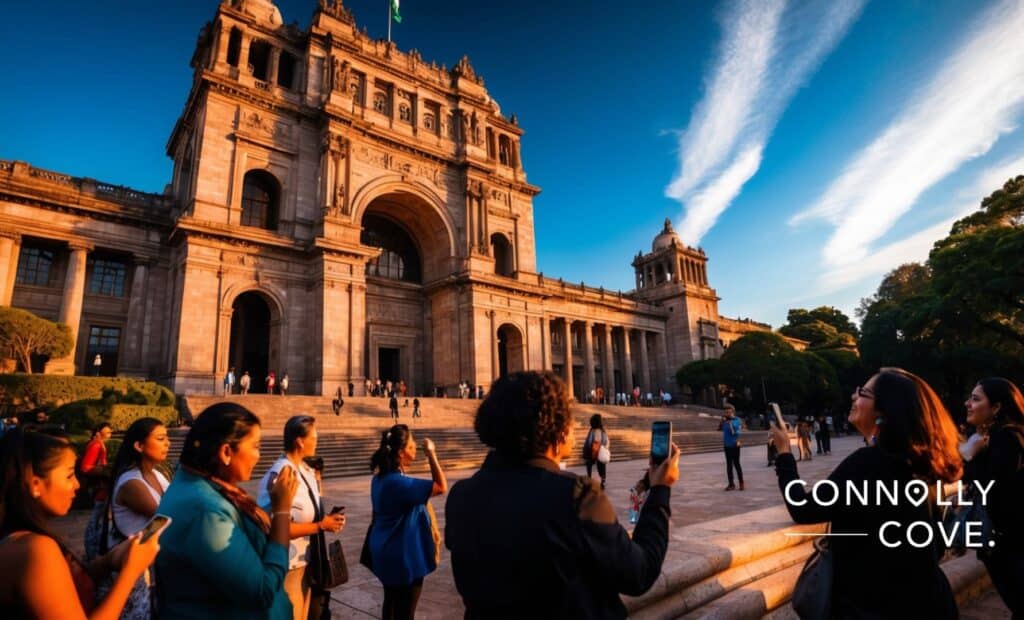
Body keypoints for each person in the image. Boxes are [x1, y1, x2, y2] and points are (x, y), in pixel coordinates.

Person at [445, 371, 680, 618]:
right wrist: (661, 490)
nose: (576, 425)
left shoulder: (461, 495)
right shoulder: (575, 495)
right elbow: (638, 574)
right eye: (571, 418)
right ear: (557, 431)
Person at [769, 368, 961, 618]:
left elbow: (802, 507)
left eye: (863, 393)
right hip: (927, 601)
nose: (853, 397)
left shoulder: (868, 463)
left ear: (883, 410)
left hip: (875, 606)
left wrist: (784, 452)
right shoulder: (920, 462)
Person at [156, 402, 299, 619]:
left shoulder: (198, 484)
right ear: (226, 452)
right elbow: (262, 591)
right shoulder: (206, 511)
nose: (258, 456)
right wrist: (281, 510)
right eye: (255, 446)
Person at [0, 427, 161, 618]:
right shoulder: (35, 549)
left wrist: (109, 561)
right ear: (35, 484)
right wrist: (131, 570)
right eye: (69, 475)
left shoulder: (19, 539)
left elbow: (61, 587)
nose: (77, 484)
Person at [258, 416, 345, 620]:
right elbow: (276, 525)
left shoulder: (304, 470)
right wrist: (320, 526)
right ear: (300, 441)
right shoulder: (283, 473)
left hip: (306, 562)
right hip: (287, 565)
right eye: (314, 437)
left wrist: (329, 520)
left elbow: (310, 510)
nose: (317, 441)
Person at [366, 424, 447, 620]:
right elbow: (441, 486)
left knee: (391, 604)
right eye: (411, 447)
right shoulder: (398, 483)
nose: (415, 451)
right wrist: (431, 454)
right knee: (405, 611)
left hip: (385, 550)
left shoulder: (380, 479)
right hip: (403, 556)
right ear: (401, 453)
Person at [961, 377, 1024, 616]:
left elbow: (990, 486)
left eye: (976, 399)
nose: (968, 403)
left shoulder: (1005, 439)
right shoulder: (1015, 435)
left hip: (1009, 546)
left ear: (996, 407)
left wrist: (971, 455)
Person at [104, 417, 171, 620]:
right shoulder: (132, 483)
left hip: (152, 567)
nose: (167, 443)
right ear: (139, 445)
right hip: (133, 572)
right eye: (160, 438)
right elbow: (166, 517)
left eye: (167, 437)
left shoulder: (158, 474)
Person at [82, 422, 114, 560]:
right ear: (99, 432)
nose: (109, 435)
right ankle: (91, 552)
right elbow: (85, 467)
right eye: (107, 433)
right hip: (99, 487)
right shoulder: (96, 445)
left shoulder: (97, 443)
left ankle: (93, 551)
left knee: (97, 520)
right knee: (96, 520)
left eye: (110, 433)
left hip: (100, 487)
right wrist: (104, 470)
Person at [582, 413, 609, 489]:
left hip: (592, 453)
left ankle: (592, 481)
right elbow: (606, 442)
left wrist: (585, 451)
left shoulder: (592, 431)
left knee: (590, 467)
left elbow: (589, 442)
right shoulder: (603, 431)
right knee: (601, 467)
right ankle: (602, 481)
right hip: (600, 452)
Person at [721, 405, 744, 491]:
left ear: (732, 412)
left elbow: (736, 433)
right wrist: (723, 422)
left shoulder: (737, 420)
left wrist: (730, 425)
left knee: (737, 464)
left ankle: (741, 483)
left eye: (728, 412)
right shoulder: (724, 421)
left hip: (735, 445)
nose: (727, 414)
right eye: (726, 412)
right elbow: (720, 429)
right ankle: (731, 484)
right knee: (729, 465)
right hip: (727, 445)